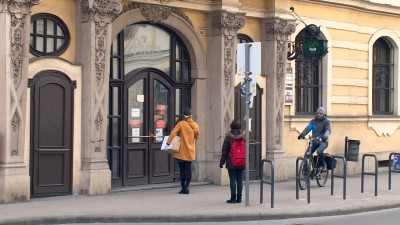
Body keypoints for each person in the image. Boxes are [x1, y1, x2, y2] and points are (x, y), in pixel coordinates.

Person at [167, 108, 200, 194]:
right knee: (188, 169)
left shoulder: (181, 123)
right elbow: (197, 136)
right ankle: (187, 186)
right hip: (190, 150)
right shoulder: (195, 125)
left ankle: (183, 187)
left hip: (181, 150)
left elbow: (173, 133)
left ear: (183, 115)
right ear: (191, 115)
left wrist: (168, 143)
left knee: (182, 169)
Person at [219, 119, 245, 204]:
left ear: (231, 127)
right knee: (240, 180)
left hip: (232, 162)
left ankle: (233, 198)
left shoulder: (229, 137)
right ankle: (239, 198)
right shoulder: (244, 137)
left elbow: (225, 151)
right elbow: (247, 150)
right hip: (241, 161)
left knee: (233, 180)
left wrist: (221, 162)